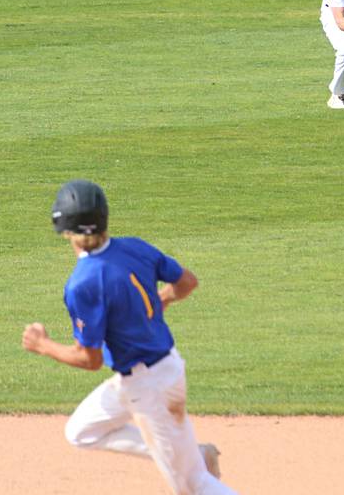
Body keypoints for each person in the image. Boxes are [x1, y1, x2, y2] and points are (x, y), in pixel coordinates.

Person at [22, 180, 238, 495]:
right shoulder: (135, 247)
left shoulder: (83, 283)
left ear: (65, 228)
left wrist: (43, 345)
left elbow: (90, 359)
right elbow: (187, 282)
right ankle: (191, 453)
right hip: (160, 371)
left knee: (195, 485)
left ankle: (188, 459)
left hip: (149, 389)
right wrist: (162, 298)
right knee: (82, 431)